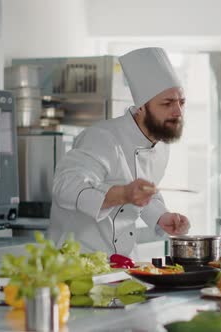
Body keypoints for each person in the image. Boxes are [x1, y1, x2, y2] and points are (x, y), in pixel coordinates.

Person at [48, 47, 191, 257]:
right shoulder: (102, 138)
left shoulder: (160, 146)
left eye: (181, 102)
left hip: (123, 262)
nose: (178, 111)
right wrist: (123, 194)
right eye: (167, 103)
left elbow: (144, 192)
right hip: (77, 260)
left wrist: (162, 216)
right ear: (141, 107)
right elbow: (65, 187)